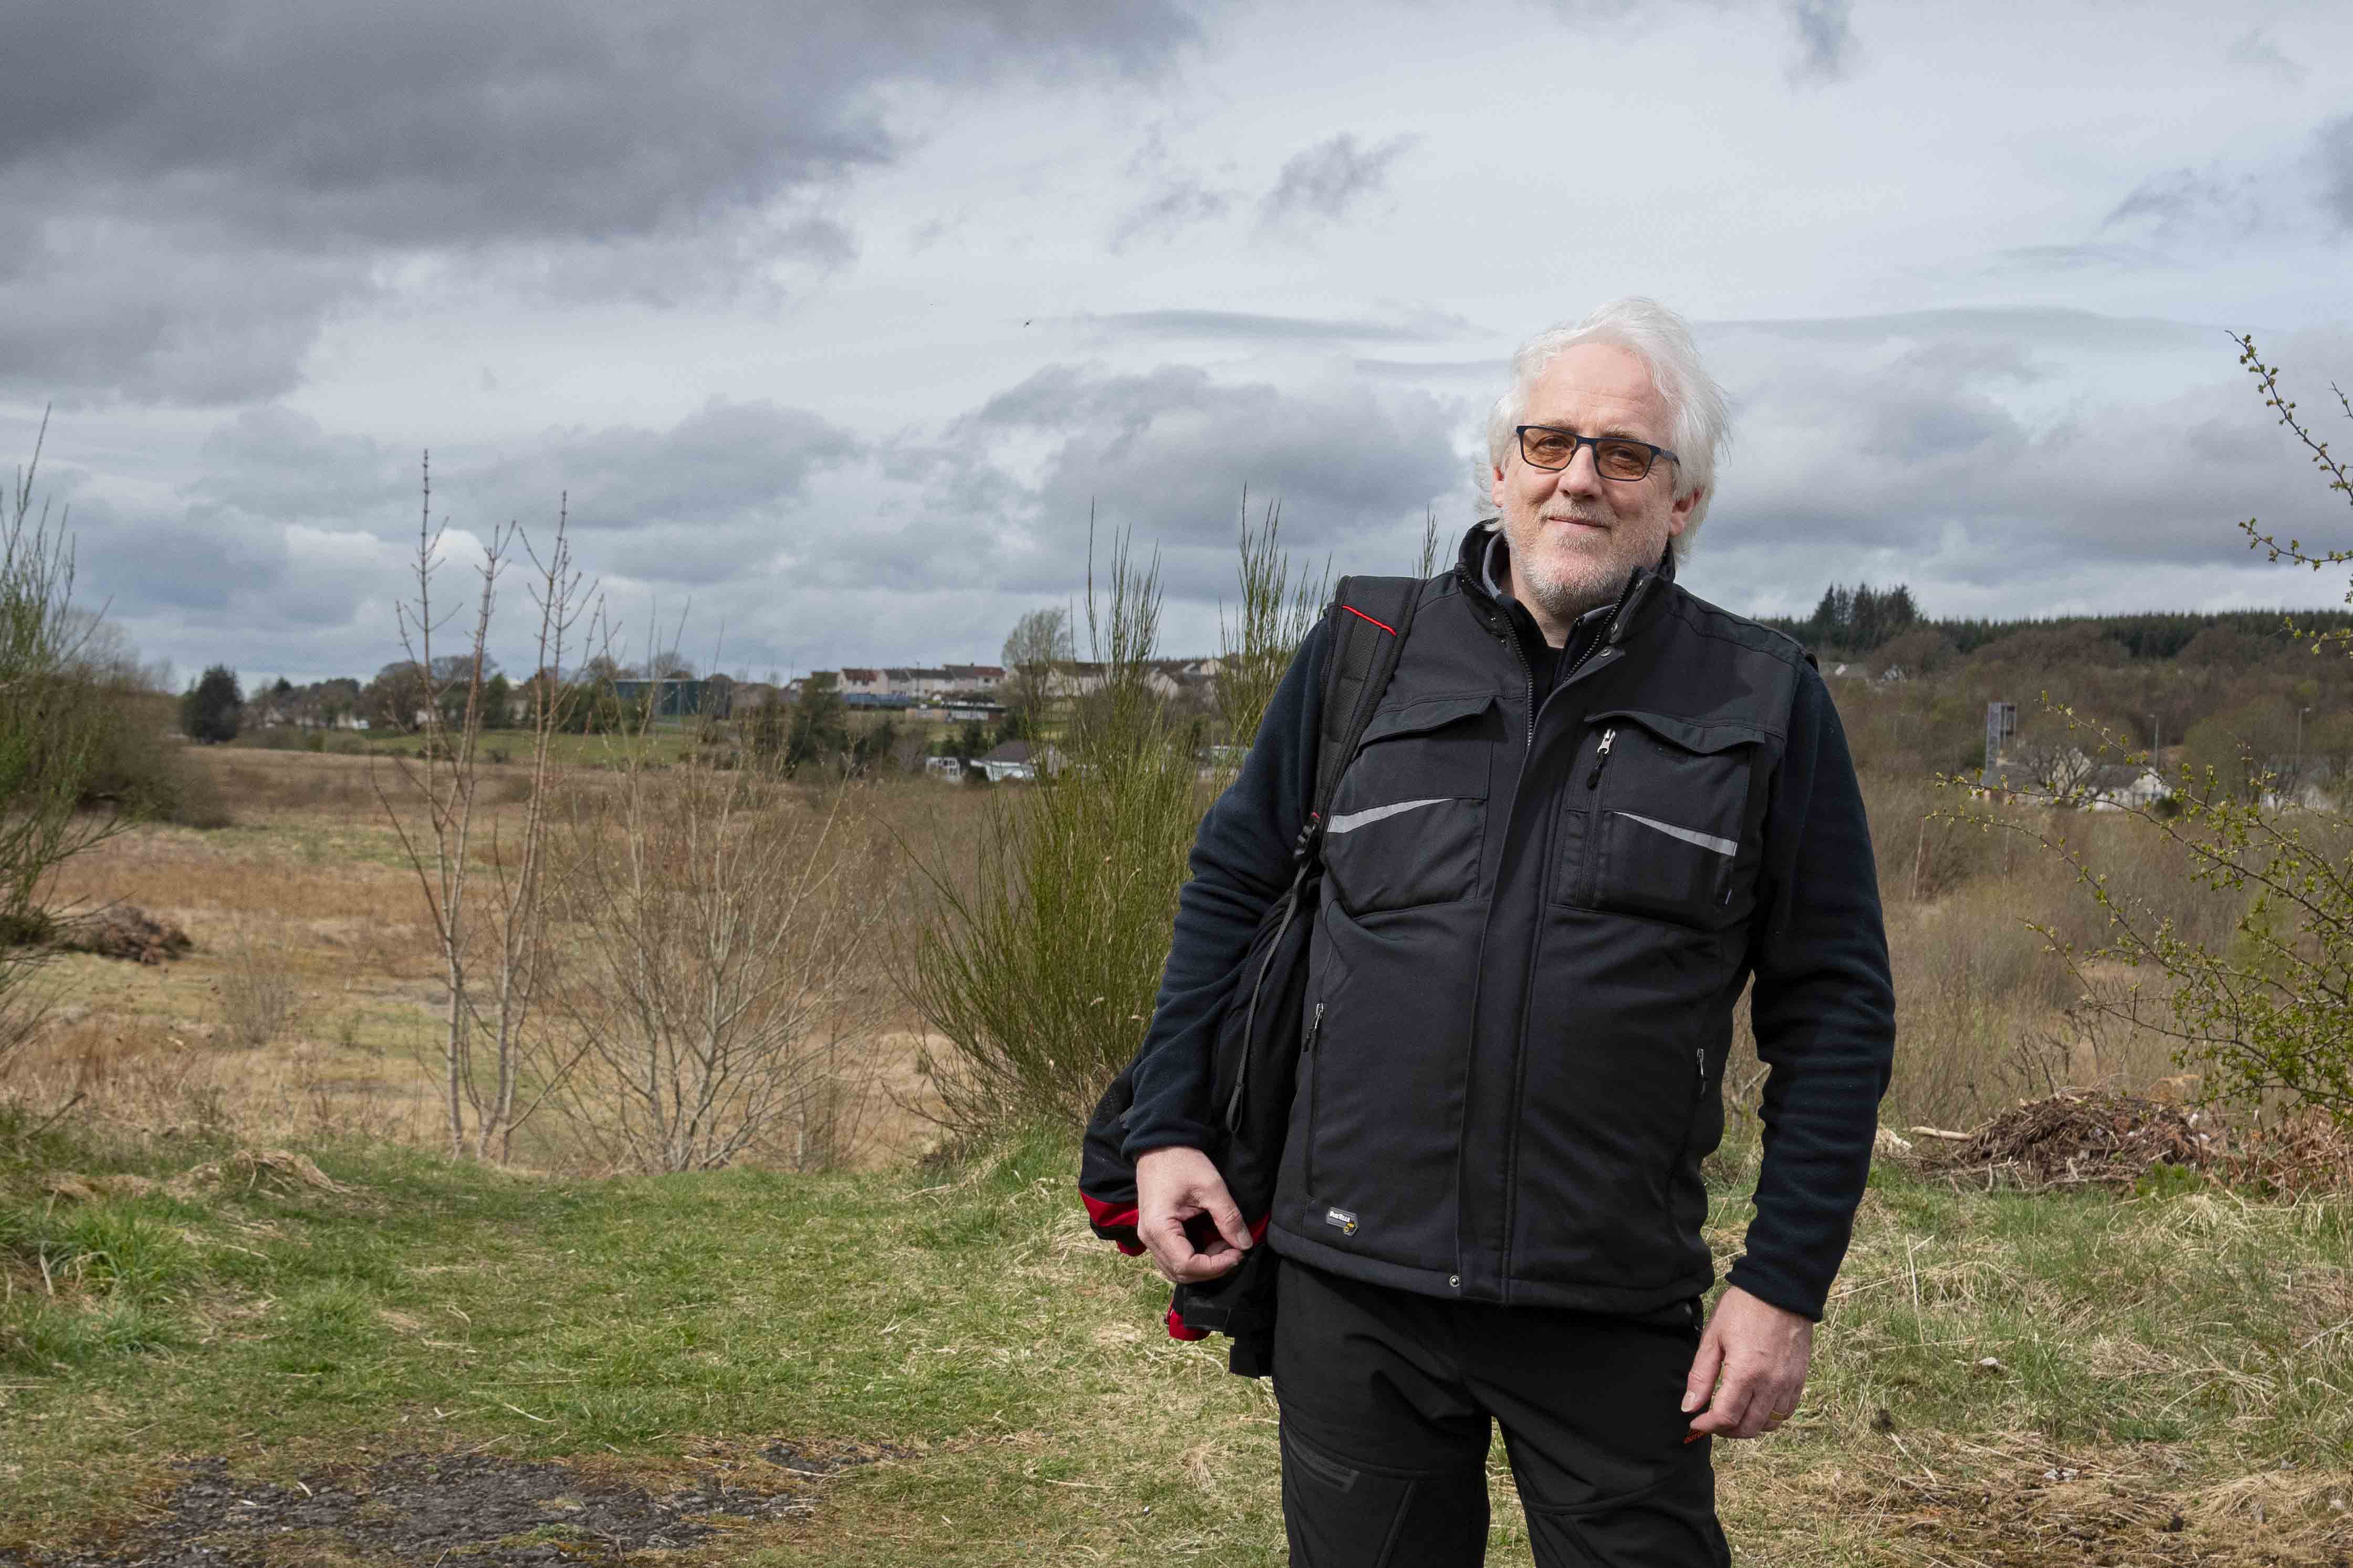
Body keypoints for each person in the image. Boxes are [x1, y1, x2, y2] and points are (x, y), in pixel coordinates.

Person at [1117, 298, 1896, 1565]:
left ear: (1682, 500)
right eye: (1550, 444)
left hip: (1611, 1304)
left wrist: (1783, 1284)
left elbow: (1836, 1007)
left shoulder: (1761, 699)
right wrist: (1167, 1129)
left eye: (1626, 454)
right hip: (1353, 1289)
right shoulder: (1367, 654)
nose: (1579, 478)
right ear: (1501, 471)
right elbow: (1233, 891)